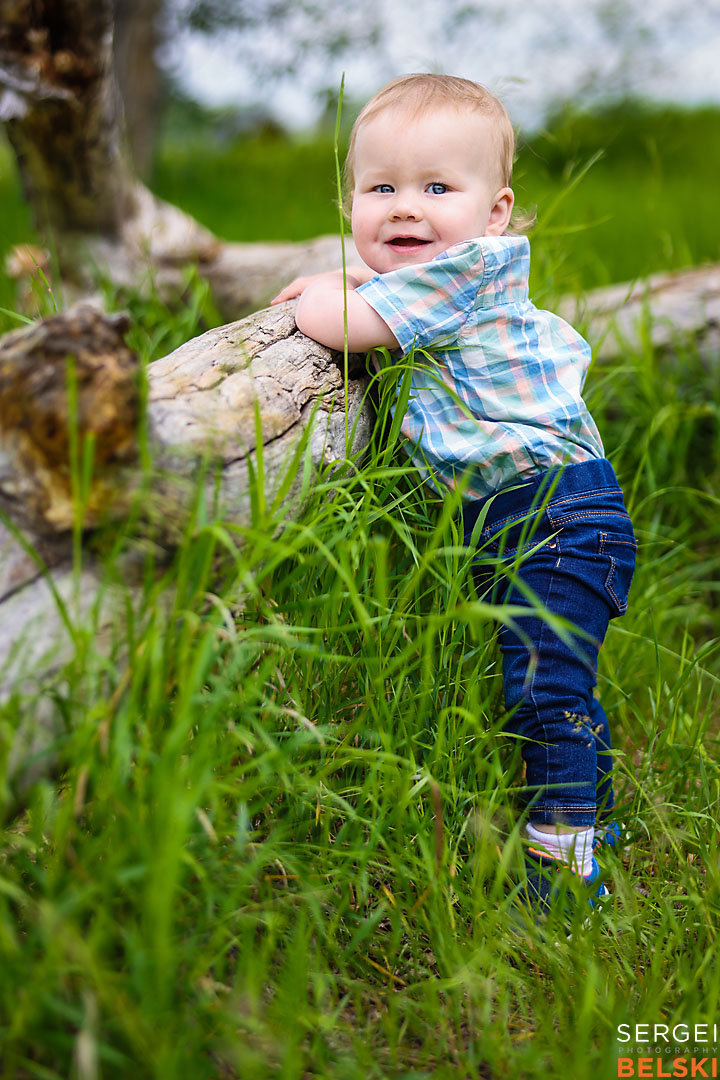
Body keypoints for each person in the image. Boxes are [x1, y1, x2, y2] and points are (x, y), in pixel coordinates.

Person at [271, 73, 636, 916]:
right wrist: (357, 289)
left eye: (438, 187)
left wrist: (327, 293)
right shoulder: (437, 282)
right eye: (381, 188)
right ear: (351, 197)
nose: (406, 208)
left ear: (496, 210)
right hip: (534, 512)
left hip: (553, 515)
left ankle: (564, 866)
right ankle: (591, 811)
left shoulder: (466, 271)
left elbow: (345, 327)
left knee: (542, 686)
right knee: (554, 677)